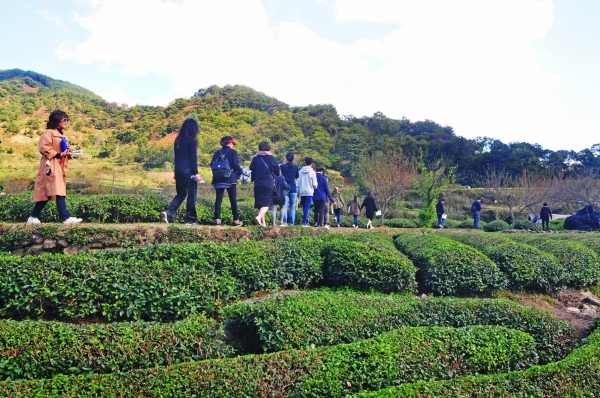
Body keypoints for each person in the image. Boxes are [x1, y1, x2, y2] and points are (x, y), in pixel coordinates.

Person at [28, 109, 82, 225]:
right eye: (64, 119)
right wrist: (58, 154)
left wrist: (69, 151)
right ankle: (66, 218)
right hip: (51, 164)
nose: (66, 122)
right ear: (57, 120)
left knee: (49, 192)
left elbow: (63, 150)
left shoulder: (63, 135)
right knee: (58, 190)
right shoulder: (48, 133)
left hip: (61, 164)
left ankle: (32, 218)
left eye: (67, 119)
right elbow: (43, 147)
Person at [160, 119, 201, 225]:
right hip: (189, 171)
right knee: (191, 194)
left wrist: (175, 172)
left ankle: (168, 212)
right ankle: (191, 220)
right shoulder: (192, 141)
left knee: (181, 194)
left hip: (179, 170)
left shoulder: (178, 140)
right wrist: (196, 173)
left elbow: (176, 157)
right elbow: (193, 158)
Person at [211, 136, 243, 227]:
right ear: (230, 143)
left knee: (218, 199)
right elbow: (235, 164)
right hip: (230, 178)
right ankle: (236, 220)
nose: (233, 145)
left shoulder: (217, 152)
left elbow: (212, 164)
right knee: (233, 199)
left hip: (218, 178)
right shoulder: (233, 152)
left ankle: (217, 219)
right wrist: (240, 172)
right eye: (233, 143)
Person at [249, 141, 279, 226]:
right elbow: (277, 170)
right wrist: (276, 174)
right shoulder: (271, 157)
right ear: (268, 148)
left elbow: (251, 170)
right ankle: (258, 218)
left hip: (258, 182)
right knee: (267, 203)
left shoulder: (255, 158)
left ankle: (263, 223)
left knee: (260, 203)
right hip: (268, 182)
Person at [297, 157, 318, 227]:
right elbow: (315, 184)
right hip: (309, 192)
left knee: (304, 207)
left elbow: (297, 183)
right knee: (307, 207)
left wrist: (297, 192)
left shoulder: (300, 172)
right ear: (311, 164)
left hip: (302, 191)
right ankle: (304, 222)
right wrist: (315, 187)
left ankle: (306, 221)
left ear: (305, 163)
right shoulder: (312, 173)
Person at [280, 152, 299, 226]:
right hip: (293, 188)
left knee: (284, 206)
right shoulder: (296, 167)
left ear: (286, 158)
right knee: (292, 207)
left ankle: (284, 222)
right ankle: (291, 222)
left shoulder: (283, 166)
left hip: (285, 188)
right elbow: (297, 176)